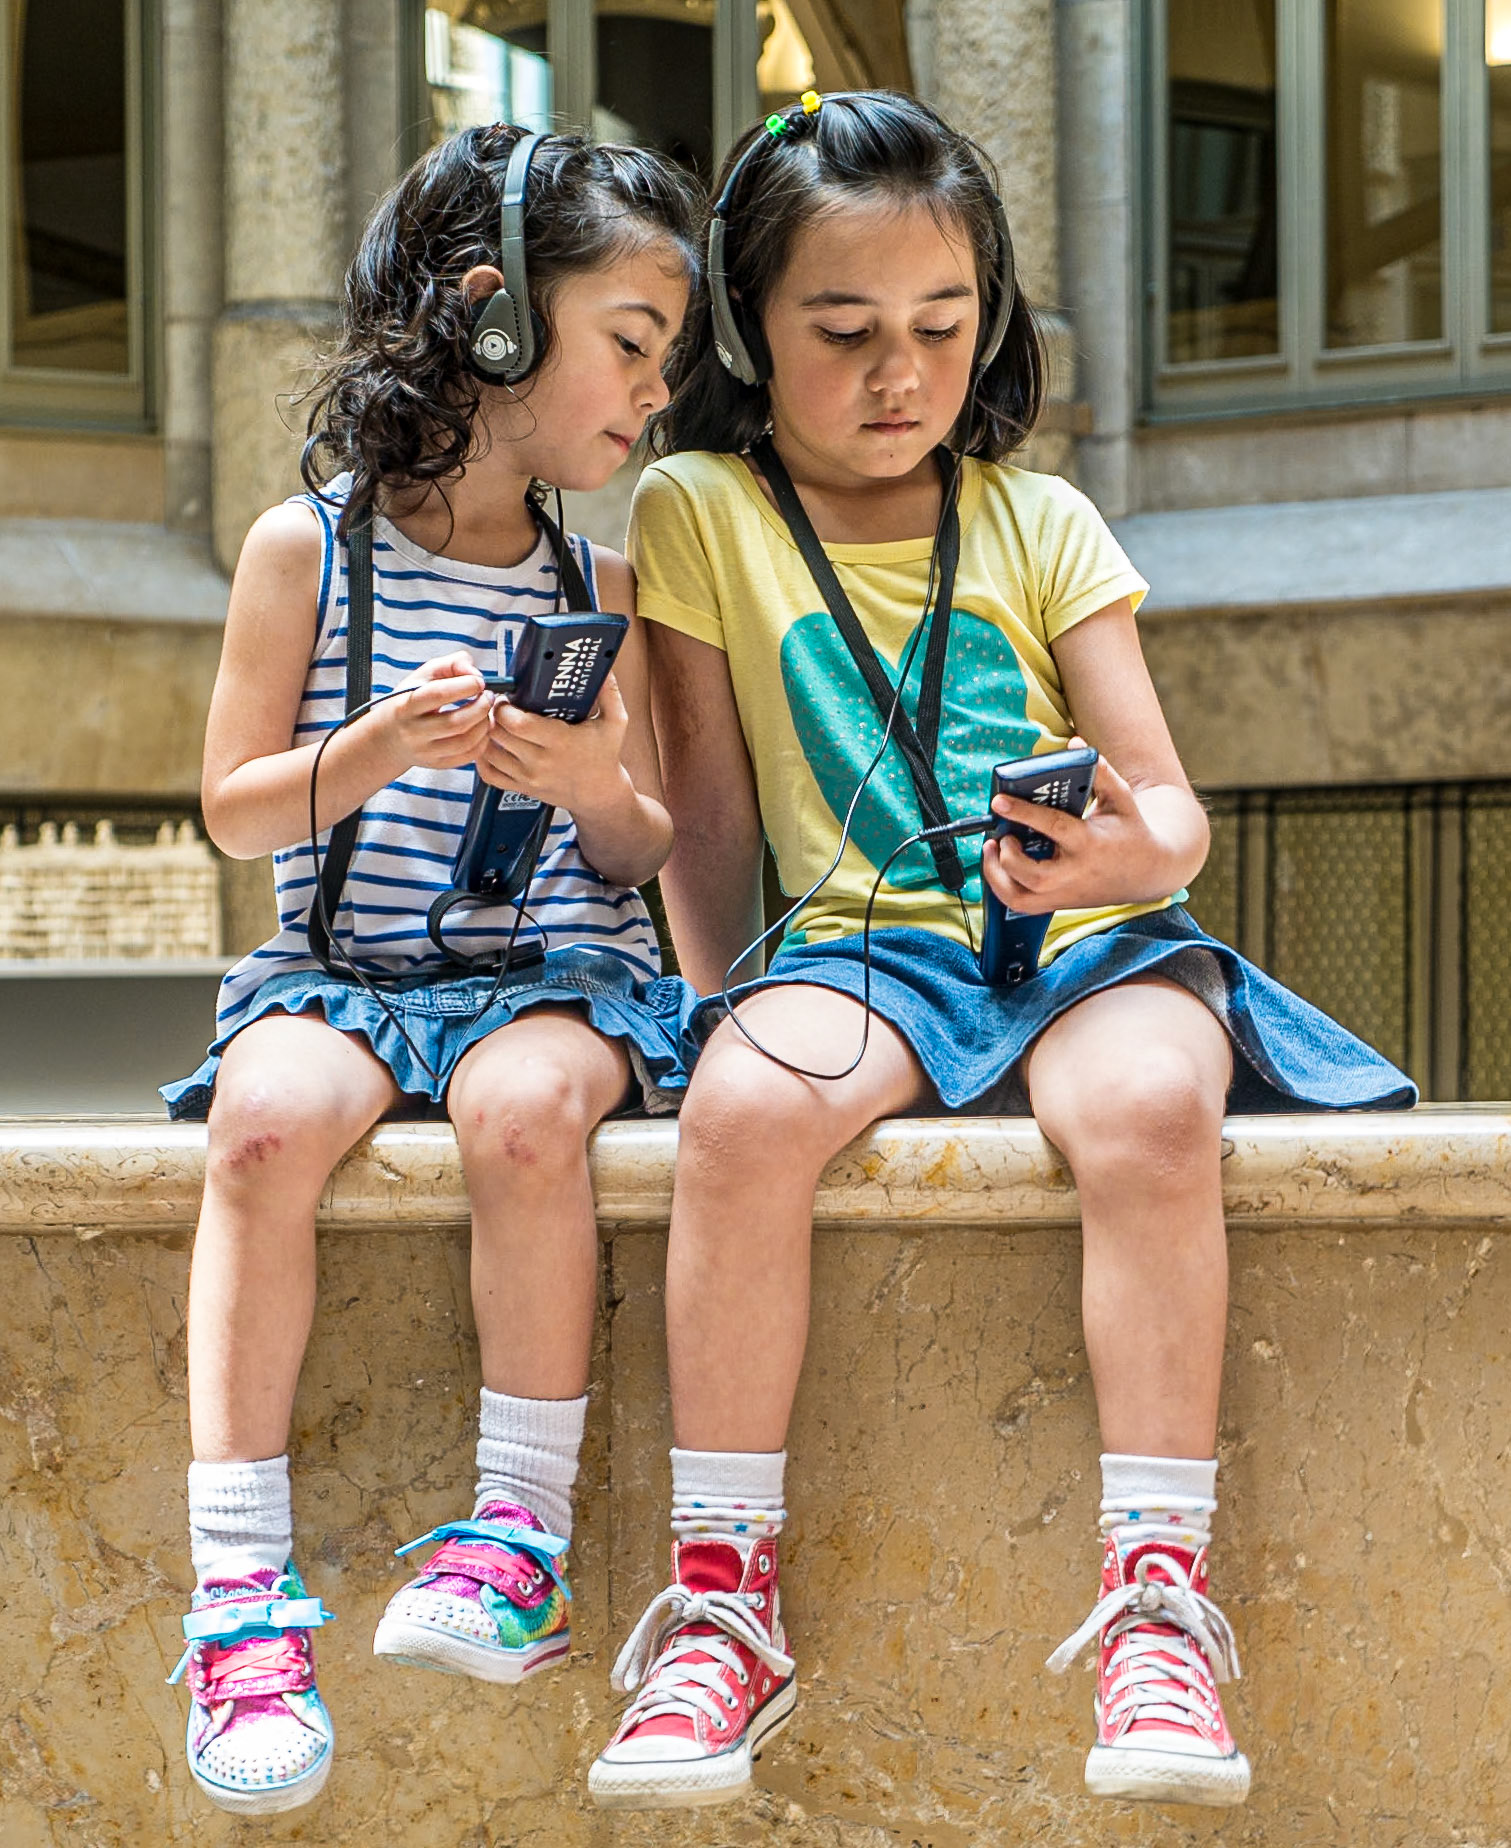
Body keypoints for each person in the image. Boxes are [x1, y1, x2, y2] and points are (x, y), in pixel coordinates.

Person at [587, 90, 1415, 1814]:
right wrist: (705, 1009)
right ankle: (726, 1609)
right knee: (743, 1117)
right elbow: (716, 825)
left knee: (1149, 1114)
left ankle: (1156, 1605)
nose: (901, 371)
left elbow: (1173, 815)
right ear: (753, 326)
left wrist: (1126, 850)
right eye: (847, 331)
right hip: (860, 952)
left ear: (992, 321)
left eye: (942, 327)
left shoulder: (1041, 521)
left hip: (1088, 942)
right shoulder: (696, 511)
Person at [158, 124, 700, 1816]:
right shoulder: (302, 553)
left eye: (668, 359)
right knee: (262, 1128)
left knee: (529, 1113)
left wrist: (593, 782)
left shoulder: (594, 579)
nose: (654, 393)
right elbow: (235, 813)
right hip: (346, 974)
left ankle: (519, 1536)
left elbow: (644, 851)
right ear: (489, 319)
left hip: (550, 971)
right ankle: (241, 1589)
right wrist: (374, 749)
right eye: (630, 342)